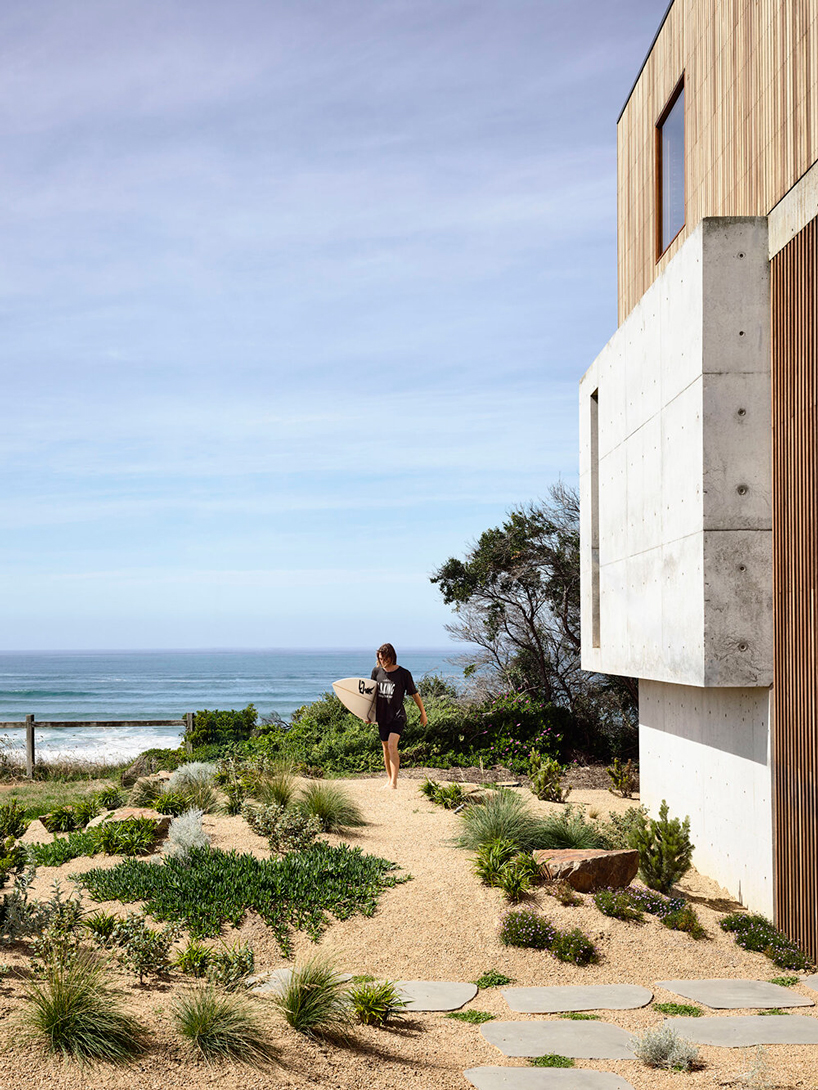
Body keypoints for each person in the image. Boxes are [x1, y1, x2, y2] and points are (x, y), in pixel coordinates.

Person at [370, 642, 427, 789]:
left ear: (392, 657)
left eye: (385, 658)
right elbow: (370, 696)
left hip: (397, 716)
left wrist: (423, 713)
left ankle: (394, 783)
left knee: (391, 745)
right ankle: (389, 780)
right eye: (380, 659)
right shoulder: (376, 672)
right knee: (385, 749)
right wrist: (367, 714)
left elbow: (414, 694)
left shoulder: (403, 674)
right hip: (382, 717)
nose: (382, 661)